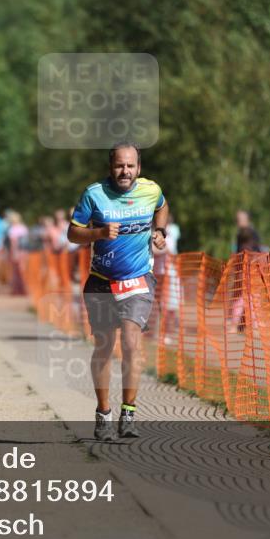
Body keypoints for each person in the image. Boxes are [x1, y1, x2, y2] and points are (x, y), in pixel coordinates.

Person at [67, 141, 168, 440]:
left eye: (130, 166)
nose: (125, 171)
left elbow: (162, 207)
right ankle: (103, 415)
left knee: (131, 343)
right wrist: (97, 232)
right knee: (104, 346)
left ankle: (129, 413)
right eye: (119, 165)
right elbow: (72, 233)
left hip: (137, 279)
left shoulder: (151, 190)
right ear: (110, 167)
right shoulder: (93, 194)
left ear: (139, 167)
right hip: (101, 281)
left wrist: (160, 232)